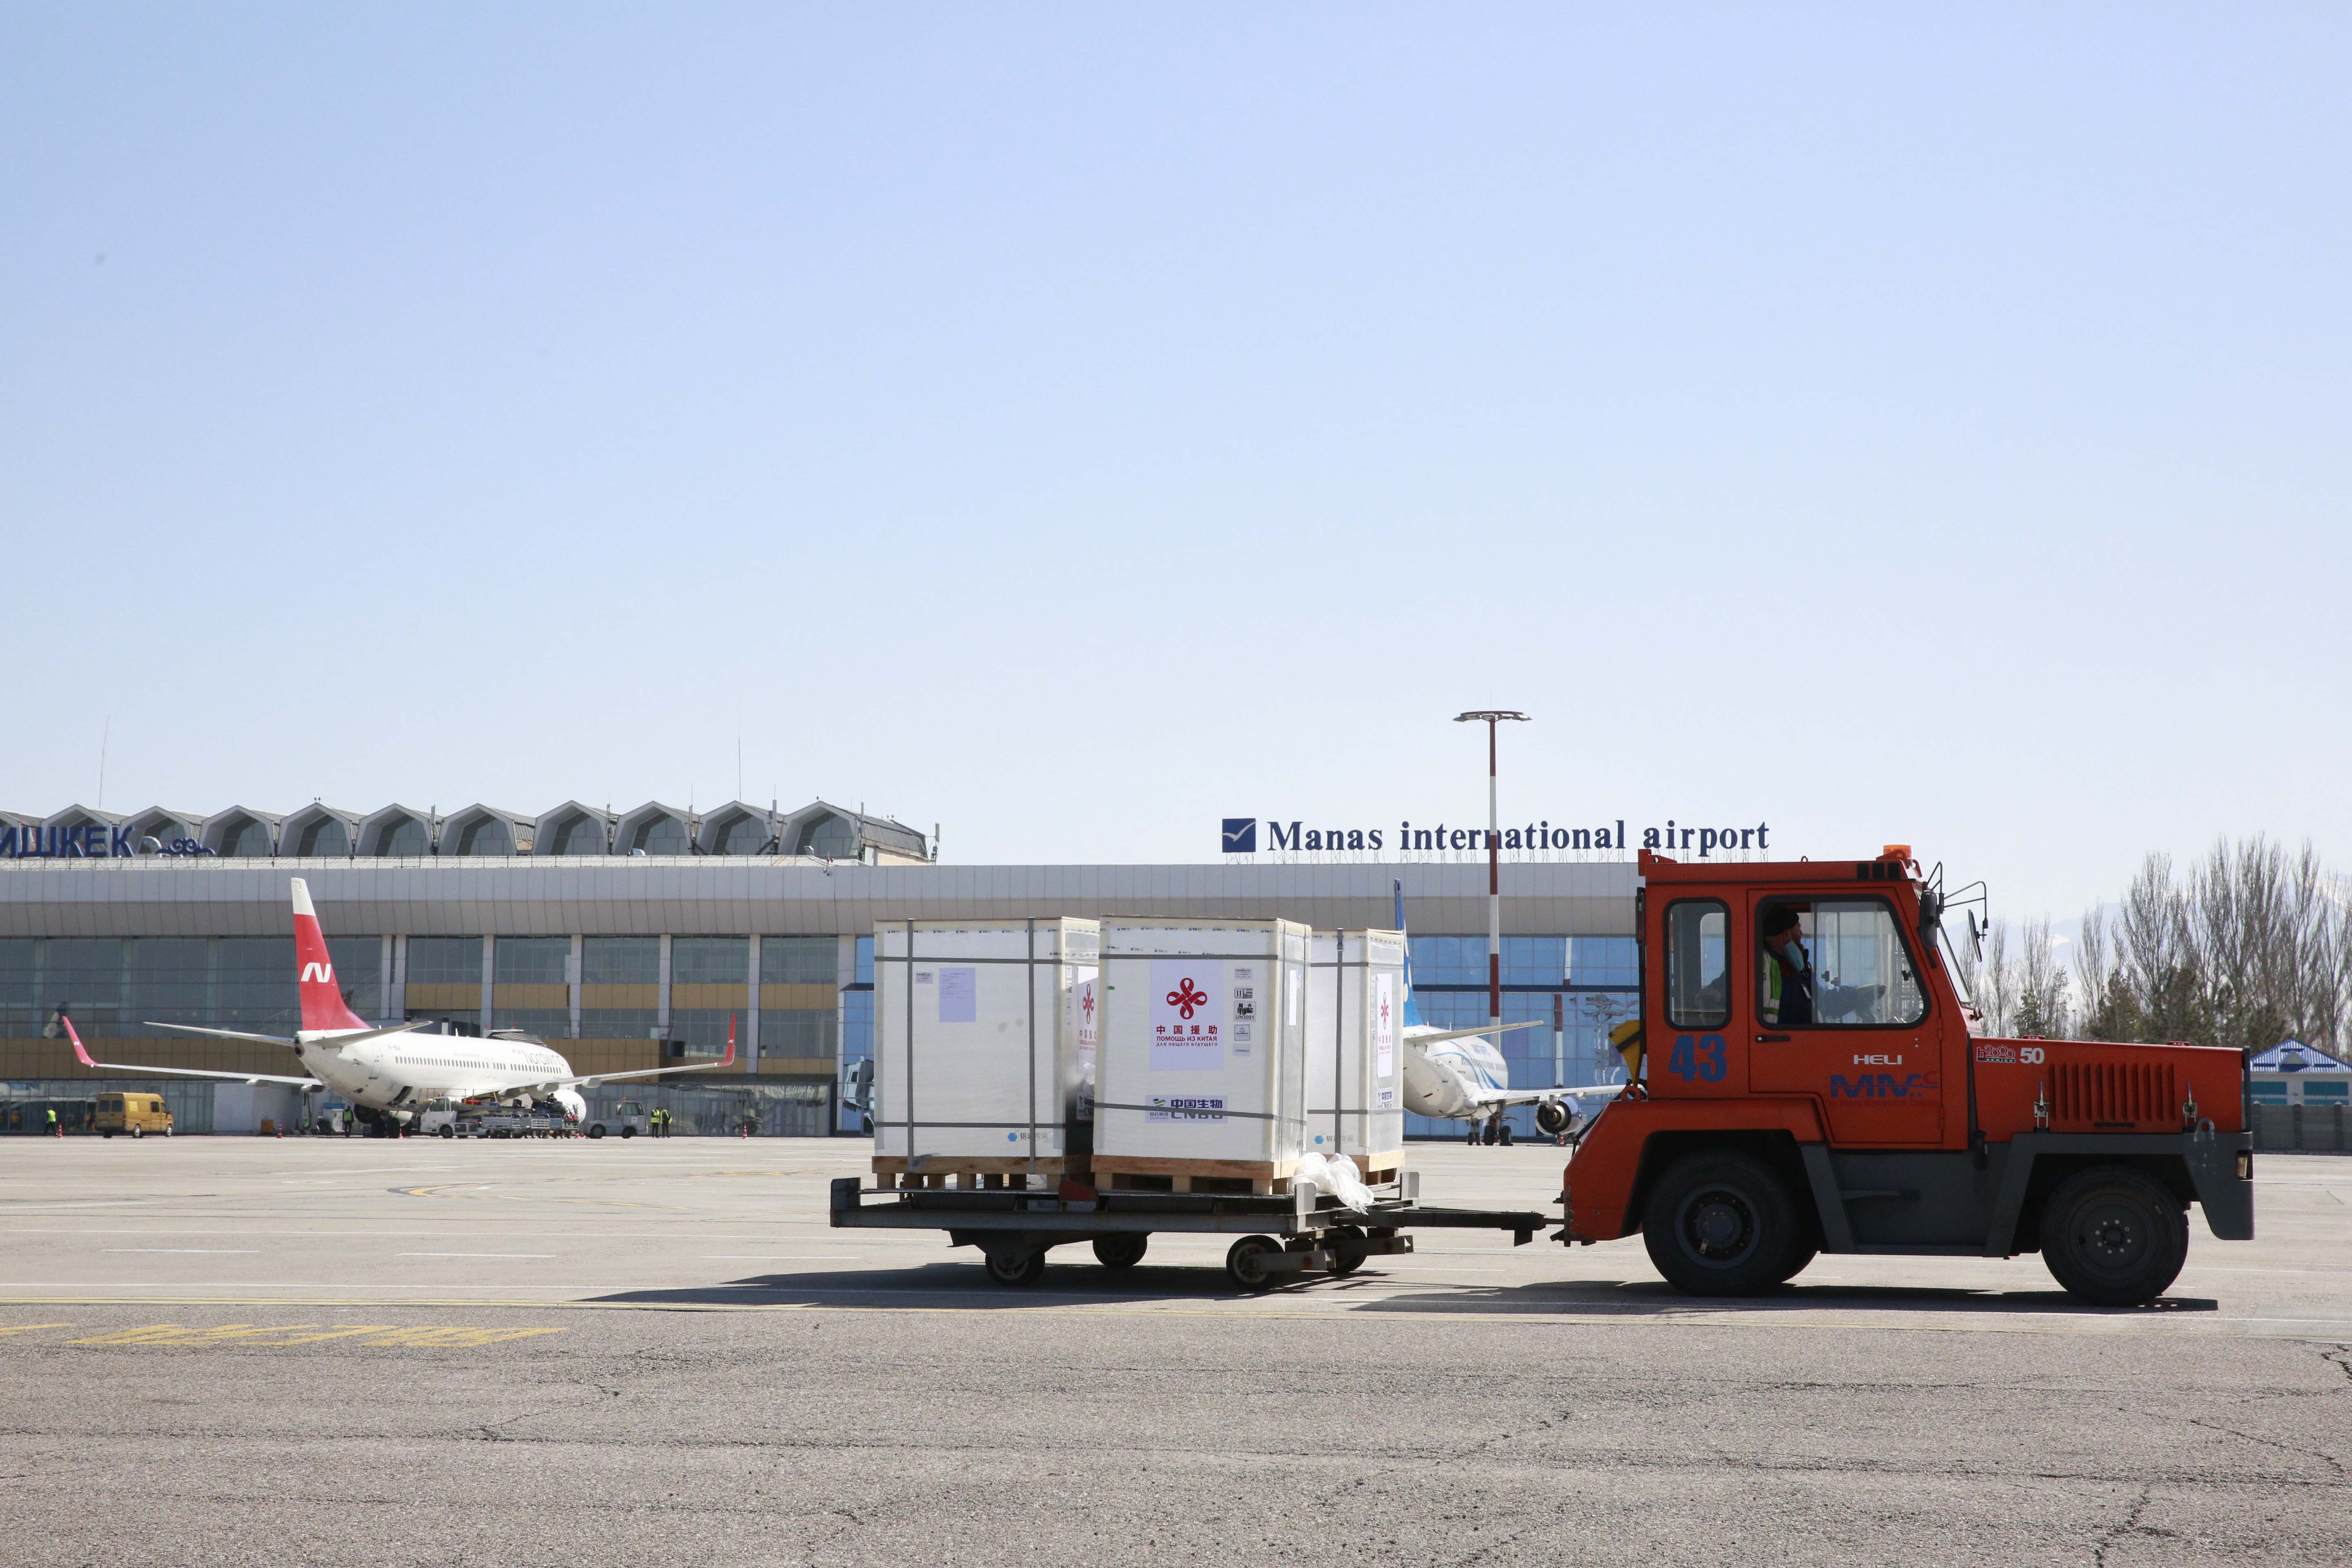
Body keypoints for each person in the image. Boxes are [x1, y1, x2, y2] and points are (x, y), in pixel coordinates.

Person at [1758, 907, 1816, 1028]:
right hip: (1777, 1034)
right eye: (1799, 930)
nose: (1801, 935)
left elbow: (1819, 995)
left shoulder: (1800, 966)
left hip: (1807, 1034)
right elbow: (1724, 990)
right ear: (1786, 935)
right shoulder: (1759, 961)